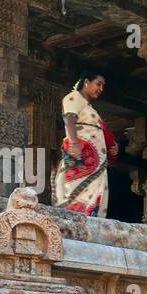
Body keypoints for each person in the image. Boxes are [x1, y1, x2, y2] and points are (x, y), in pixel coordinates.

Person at [54, 71, 117, 217]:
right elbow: (70, 119)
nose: (101, 89)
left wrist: (114, 146)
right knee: (77, 193)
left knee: (94, 194)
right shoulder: (73, 97)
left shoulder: (90, 109)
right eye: (98, 84)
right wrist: (74, 143)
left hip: (96, 163)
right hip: (82, 156)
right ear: (86, 82)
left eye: (103, 86)